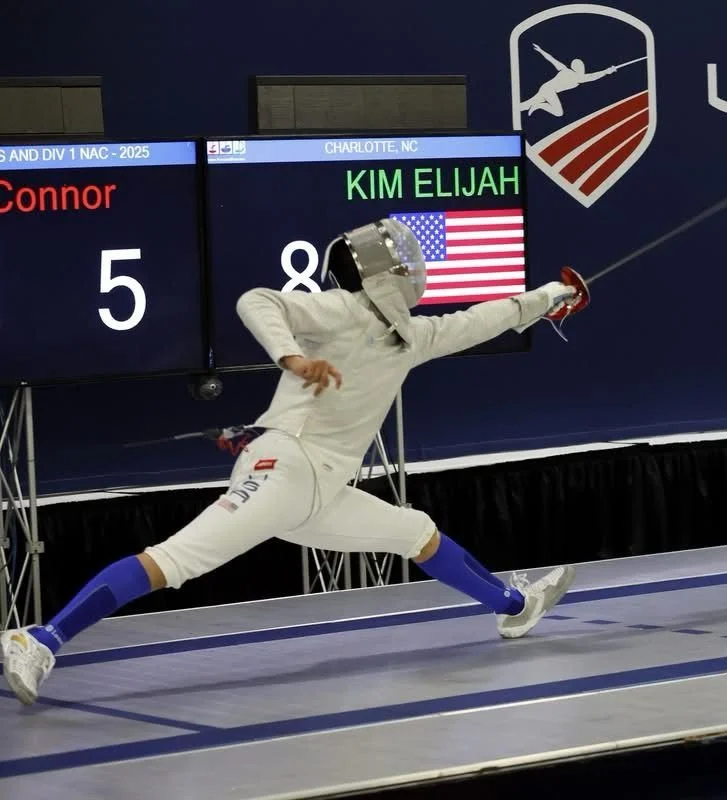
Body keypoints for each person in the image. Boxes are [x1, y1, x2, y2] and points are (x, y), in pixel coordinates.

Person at [2, 217, 581, 705]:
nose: (413, 270)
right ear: (385, 274)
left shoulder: (414, 335)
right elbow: (257, 300)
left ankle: (514, 606)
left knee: (417, 532)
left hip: (323, 491)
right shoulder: (341, 310)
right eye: (403, 263)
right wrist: (293, 358)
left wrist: (553, 296)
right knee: (172, 561)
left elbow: (487, 317)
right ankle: (39, 640)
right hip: (282, 468)